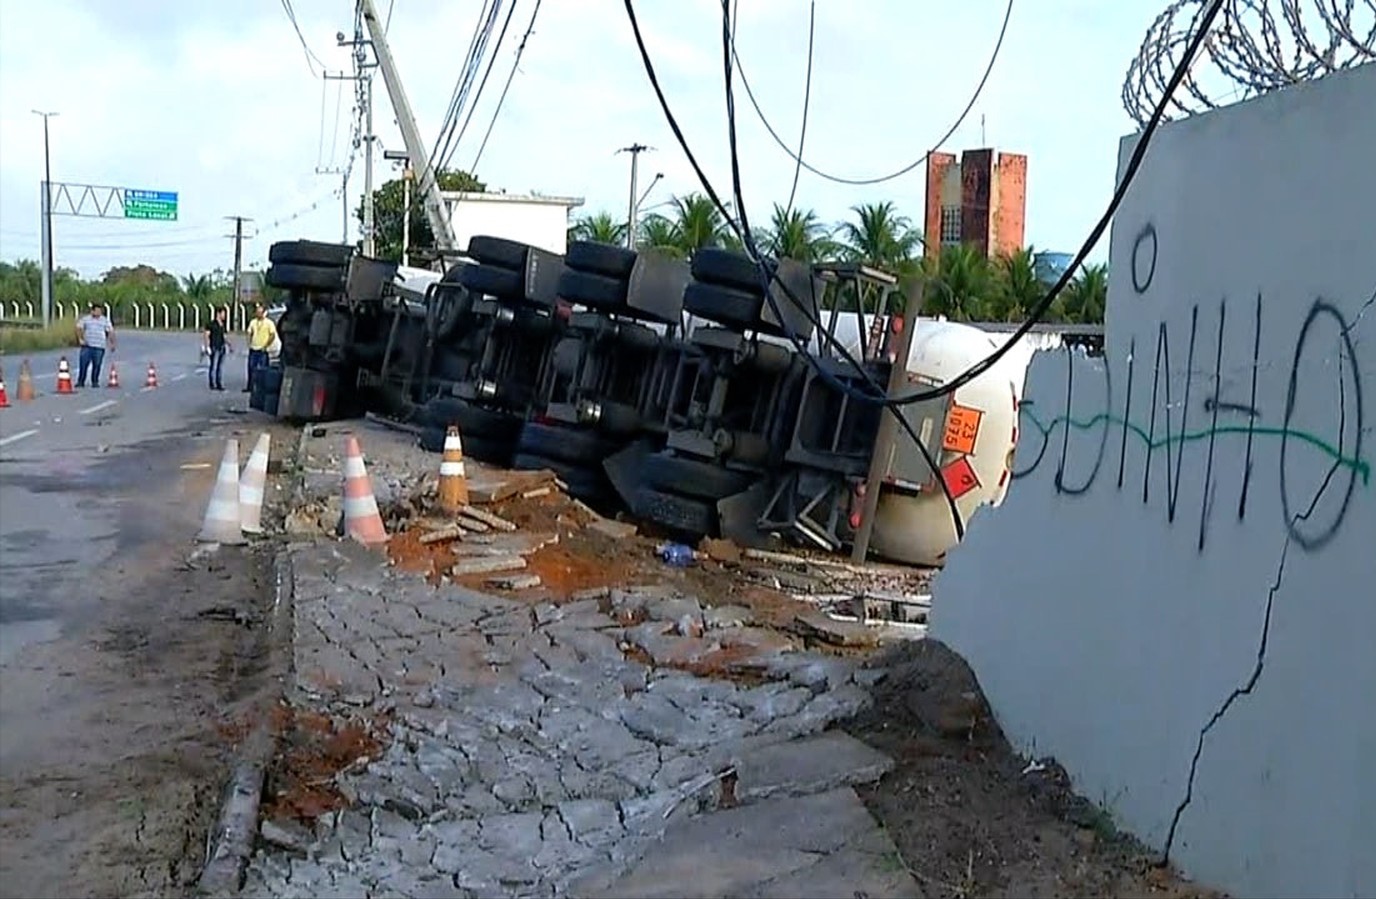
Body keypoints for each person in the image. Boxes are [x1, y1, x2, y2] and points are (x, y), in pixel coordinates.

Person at [74, 303, 116, 388]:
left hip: (99, 346)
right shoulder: (86, 319)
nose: (98, 313)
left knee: (97, 365)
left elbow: (110, 332)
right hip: (87, 346)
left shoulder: (104, 320)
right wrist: (80, 339)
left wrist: (112, 343)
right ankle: (81, 381)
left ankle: (95, 381)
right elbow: (78, 328)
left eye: (100, 311)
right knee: (83, 364)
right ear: (92, 311)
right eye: (97, 311)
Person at [244, 303, 278, 393]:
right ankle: (250, 386)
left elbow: (272, 335)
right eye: (257, 312)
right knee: (251, 368)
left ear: (263, 313)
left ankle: (261, 387)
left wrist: (266, 345)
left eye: (260, 312)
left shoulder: (269, 323)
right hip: (253, 349)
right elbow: (249, 333)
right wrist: (249, 343)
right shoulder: (253, 322)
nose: (258, 314)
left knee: (262, 369)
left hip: (263, 350)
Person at [203, 306, 230, 391]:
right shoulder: (211, 324)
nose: (224, 316)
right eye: (223, 314)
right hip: (214, 347)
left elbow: (224, 336)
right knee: (213, 366)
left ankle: (219, 383)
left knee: (220, 366)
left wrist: (229, 345)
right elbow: (206, 335)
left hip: (221, 347)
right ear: (218, 314)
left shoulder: (222, 325)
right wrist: (207, 347)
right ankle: (212, 383)